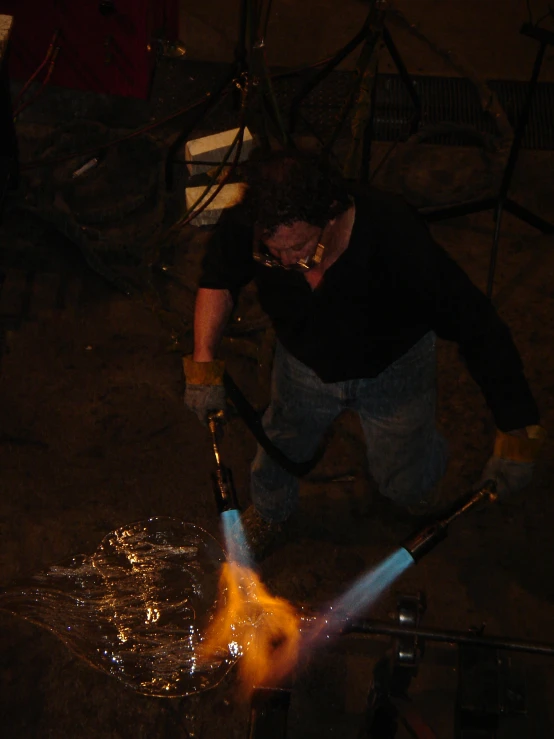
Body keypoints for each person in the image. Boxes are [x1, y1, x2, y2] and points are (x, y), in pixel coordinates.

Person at [183, 149, 545, 560]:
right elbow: (219, 278)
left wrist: (517, 431)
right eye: (273, 251)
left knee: (406, 478)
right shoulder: (251, 223)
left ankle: (416, 494)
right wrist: (203, 363)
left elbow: (478, 326)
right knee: (281, 442)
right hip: (303, 367)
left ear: (333, 216)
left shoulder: (397, 235)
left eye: (302, 248)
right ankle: (270, 511)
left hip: (393, 373)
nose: (287, 262)